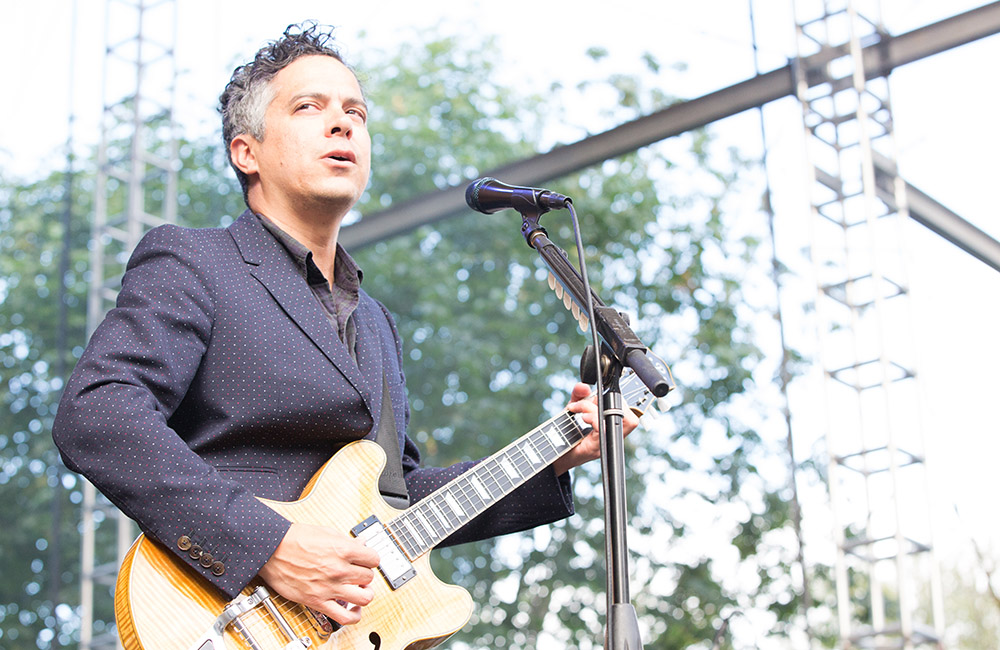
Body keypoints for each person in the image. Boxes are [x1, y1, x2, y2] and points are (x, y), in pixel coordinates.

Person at [52, 22, 636, 629]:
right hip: (221, 616)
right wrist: (269, 545)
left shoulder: (377, 322)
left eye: (356, 111)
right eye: (310, 107)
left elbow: (397, 498)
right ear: (245, 151)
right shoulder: (195, 262)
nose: (343, 123)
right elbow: (98, 412)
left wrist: (557, 455)